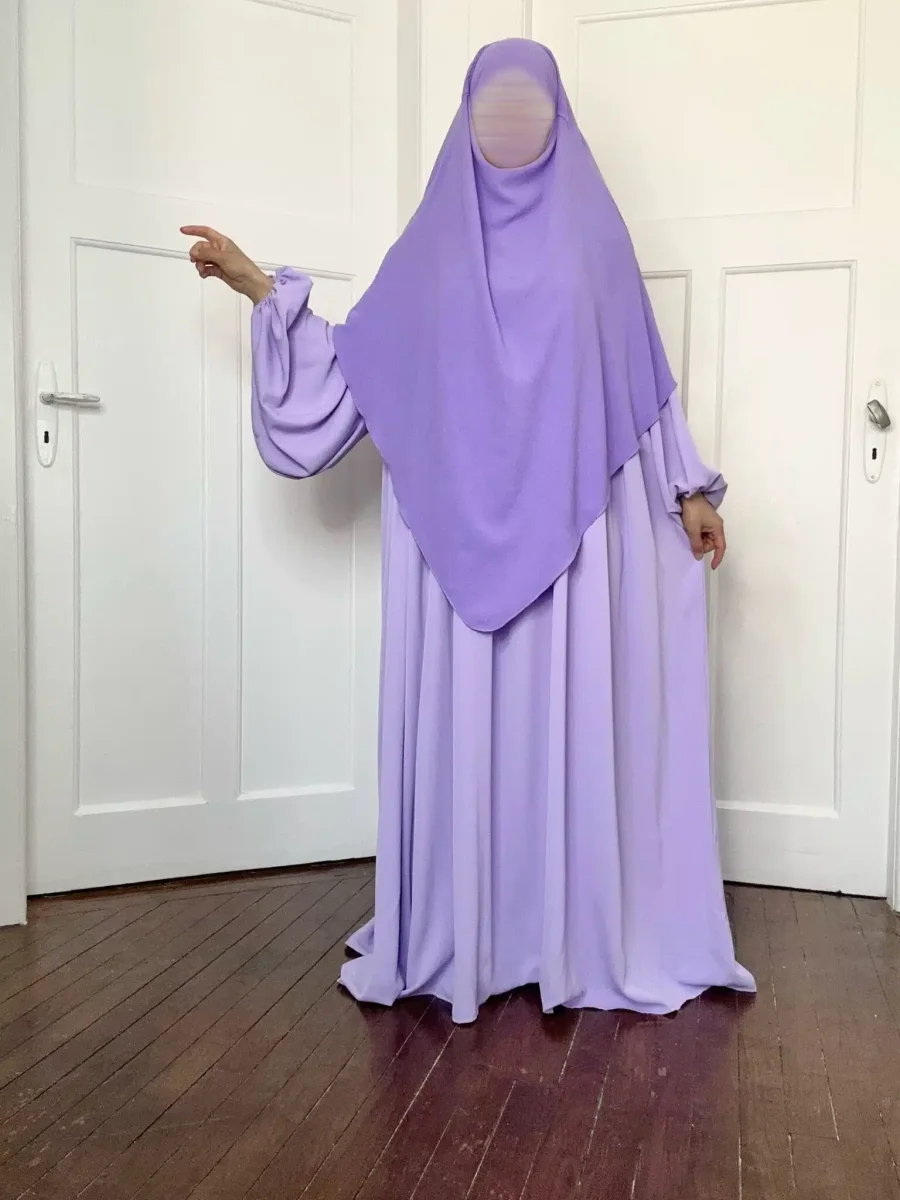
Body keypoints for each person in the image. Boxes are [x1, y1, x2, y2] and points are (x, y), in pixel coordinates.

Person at [182, 38, 754, 1024]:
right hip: (452, 556)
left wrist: (689, 492)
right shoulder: (435, 248)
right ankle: (471, 927)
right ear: (465, 120)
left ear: (559, 119)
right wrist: (256, 286)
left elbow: (642, 387)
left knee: (569, 733)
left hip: (575, 552)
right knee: (475, 747)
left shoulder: (595, 241)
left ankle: (573, 931)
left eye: (530, 108)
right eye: (493, 109)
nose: (511, 126)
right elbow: (360, 367)